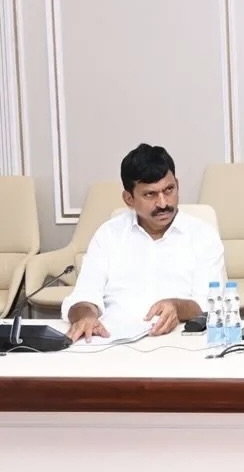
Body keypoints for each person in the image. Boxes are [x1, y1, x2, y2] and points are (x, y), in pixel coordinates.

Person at [63, 144, 226, 342]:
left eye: (169, 190)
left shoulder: (202, 235)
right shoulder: (109, 234)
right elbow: (85, 296)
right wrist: (85, 316)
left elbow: (209, 303)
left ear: (178, 185)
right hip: (111, 342)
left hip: (178, 342)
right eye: (150, 194)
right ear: (129, 198)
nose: (163, 203)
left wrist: (177, 307)